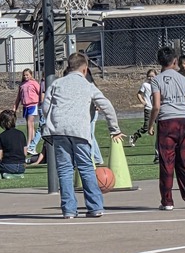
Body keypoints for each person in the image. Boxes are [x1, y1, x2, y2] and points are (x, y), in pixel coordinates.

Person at [41, 52, 124, 219]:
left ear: (68, 67)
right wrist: (114, 129)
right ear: (85, 69)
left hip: (59, 130)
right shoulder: (88, 86)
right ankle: (95, 207)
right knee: (86, 167)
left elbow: (44, 107)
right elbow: (107, 106)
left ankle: (69, 210)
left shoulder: (56, 84)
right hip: (79, 131)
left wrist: (51, 121)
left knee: (64, 170)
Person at [148, 45, 185, 211]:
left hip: (166, 122)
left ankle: (167, 200)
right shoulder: (184, 80)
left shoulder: (157, 80)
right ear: (175, 61)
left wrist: (150, 124)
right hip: (183, 121)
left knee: (166, 162)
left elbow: (156, 106)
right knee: (183, 160)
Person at [0, 110, 28, 179]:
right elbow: (25, 153)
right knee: (14, 170)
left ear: (2, 122)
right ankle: (15, 175)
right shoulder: (21, 134)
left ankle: (4, 174)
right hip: (21, 167)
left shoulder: (1, 136)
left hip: (8, 166)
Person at [13, 69, 42, 154]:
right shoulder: (22, 85)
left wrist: (40, 103)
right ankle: (32, 146)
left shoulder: (34, 83)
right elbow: (18, 97)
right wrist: (15, 107)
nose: (26, 77)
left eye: (27, 75)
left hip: (33, 105)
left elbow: (40, 93)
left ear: (31, 75)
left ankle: (28, 144)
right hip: (25, 106)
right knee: (30, 125)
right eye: (24, 75)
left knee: (29, 123)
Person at [128, 68, 156, 147]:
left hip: (156, 109)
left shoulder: (158, 85)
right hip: (148, 109)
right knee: (146, 127)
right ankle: (134, 136)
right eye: (149, 76)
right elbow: (139, 94)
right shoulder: (145, 85)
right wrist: (143, 102)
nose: (151, 78)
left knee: (162, 125)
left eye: (153, 76)